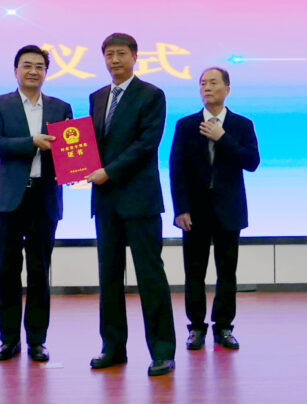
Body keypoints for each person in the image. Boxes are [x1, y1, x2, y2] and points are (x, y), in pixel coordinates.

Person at [85, 33, 176, 377]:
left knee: (150, 276)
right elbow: (91, 144)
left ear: (135, 57)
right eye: (109, 54)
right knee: (108, 276)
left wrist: (109, 171)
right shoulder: (97, 97)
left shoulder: (151, 95)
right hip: (105, 201)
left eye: (121, 53)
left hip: (140, 200)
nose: (114, 60)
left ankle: (162, 351)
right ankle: (113, 348)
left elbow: (146, 144)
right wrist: (77, 165)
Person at [0, 45, 73, 362]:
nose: (33, 71)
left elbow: (70, 151)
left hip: (43, 198)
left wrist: (74, 168)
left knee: (39, 271)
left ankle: (37, 340)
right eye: (27, 65)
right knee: (8, 271)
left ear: (46, 72)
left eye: (39, 66)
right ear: (16, 70)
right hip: (7, 199)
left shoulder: (60, 107)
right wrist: (31, 142)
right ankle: (9, 340)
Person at [170, 67, 260, 351]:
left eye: (212, 83)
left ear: (227, 89)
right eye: (202, 84)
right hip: (194, 212)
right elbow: (177, 170)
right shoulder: (186, 125)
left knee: (227, 272)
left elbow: (252, 162)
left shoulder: (242, 125)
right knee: (194, 272)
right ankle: (196, 328)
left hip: (229, 209)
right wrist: (181, 208)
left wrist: (223, 137)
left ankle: (223, 327)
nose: (206, 88)